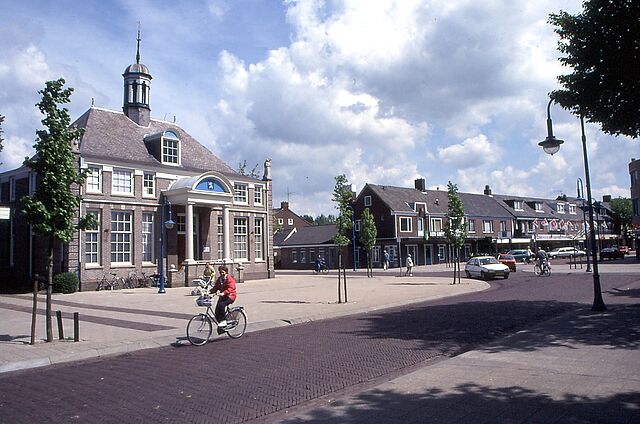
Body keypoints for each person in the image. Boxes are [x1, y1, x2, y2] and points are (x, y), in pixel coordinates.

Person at [211, 265, 237, 329]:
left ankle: (224, 321)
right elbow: (215, 288)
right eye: (220, 272)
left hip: (230, 296)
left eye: (223, 272)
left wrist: (223, 293)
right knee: (217, 311)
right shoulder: (220, 279)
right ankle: (222, 327)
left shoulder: (229, 279)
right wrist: (208, 292)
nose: (221, 274)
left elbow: (231, 288)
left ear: (226, 272)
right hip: (223, 296)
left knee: (222, 305)